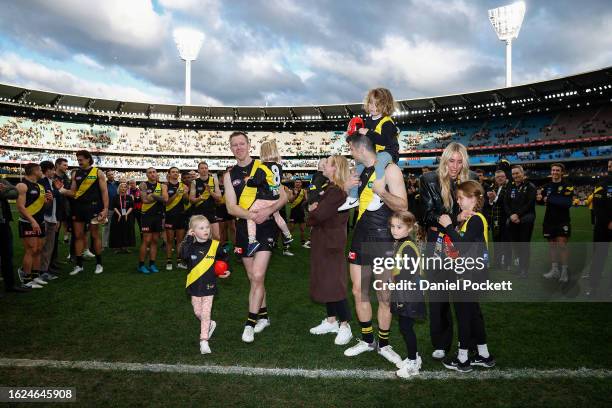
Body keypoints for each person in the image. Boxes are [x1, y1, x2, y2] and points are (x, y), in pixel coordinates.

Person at [343, 133, 408, 366]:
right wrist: (347, 188)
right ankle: (367, 339)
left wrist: (381, 192)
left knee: (384, 295)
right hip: (360, 236)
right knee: (359, 291)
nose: (349, 152)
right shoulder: (359, 171)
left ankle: (384, 343)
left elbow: (403, 205)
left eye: (350, 148)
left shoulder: (390, 170)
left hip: (383, 239)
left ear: (359, 148)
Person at [223, 131, 288, 343]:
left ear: (249, 145)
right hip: (245, 227)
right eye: (235, 145)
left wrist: (267, 212)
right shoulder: (229, 175)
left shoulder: (264, 166)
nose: (239, 147)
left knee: (258, 275)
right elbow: (231, 207)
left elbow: (284, 195)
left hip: (266, 226)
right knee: (253, 278)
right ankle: (264, 317)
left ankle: (250, 323)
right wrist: (252, 214)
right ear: (231, 148)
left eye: (242, 143)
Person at [419, 142, 478, 361]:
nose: (455, 166)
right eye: (451, 160)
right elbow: (425, 216)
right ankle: (441, 343)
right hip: (437, 244)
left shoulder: (472, 179)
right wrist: (453, 220)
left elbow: (478, 213)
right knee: (438, 296)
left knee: (466, 297)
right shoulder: (428, 180)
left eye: (459, 161)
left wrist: (449, 222)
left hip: (463, 243)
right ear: (444, 160)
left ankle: (470, 342)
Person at [439, 181, 495, 372]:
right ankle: (483, 354)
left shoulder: (477, 219)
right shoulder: (472, 219)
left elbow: (461, 246)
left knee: (464, 315)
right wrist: (456, 221)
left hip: (469, 275)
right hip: (473, 273)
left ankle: (462, 358)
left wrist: (448, 225)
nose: (458, 201)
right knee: (473, 315)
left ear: (473, 198)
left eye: (461, 197)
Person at [307, 155, 353, 346]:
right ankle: (332, 320)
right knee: (327, 282)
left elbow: (317, 215)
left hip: (330, 243)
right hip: (325, 241)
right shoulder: (331, 189)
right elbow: (317, 213)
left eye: (327, 163)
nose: (323, 165)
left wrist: (312, 211)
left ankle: (345, 325)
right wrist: (314, 210)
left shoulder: (335, 191)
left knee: (335, 284)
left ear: (335, 168)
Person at [338, 88, 400, 212]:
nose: (372, 107)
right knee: (358, 167)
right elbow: (364, 138)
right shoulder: (369, 120)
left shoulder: (387, 122)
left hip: (388, 153)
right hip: (375, 153)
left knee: (379, 163)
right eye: (370, 103)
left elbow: (385, 141)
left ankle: (379, 194)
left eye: (377, 104)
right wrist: (352, 136)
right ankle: (353, 197)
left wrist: (369, 133)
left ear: (385, 105)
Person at [179, 215, 230, 354]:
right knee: (198, 312)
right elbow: (183, 256)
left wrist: (225, 269)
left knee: (206, 313)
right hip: (194, 286)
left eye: (207, 227)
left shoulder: (215, 245)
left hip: (209, 286)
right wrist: (188, 239)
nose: (206, 230)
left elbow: (224, 257)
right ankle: (209, 324)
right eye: (201, 228)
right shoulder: (190, 247)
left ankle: (204, 341)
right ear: (193, 231)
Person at [56, 150, 108, 276]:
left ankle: (99, 263)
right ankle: (79, 265)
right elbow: (73, 193)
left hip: (94, 208)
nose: (79, 162)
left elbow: (104, 192)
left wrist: (105, 209)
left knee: (95, 235)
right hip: (78, 208)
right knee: (78, 235)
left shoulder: (98, 172)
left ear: (88, 159)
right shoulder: (76, 174)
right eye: (78, 160)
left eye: (81, 160)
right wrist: (62, 190)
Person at [388, 211, 426, 379]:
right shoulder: (401, 243)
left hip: (408, 294)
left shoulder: (408, 246)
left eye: (399, 227)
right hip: (404, 292)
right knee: (405, 327)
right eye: (392, 226)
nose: (394, 230)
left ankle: (413, 363)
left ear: (409, 228)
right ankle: (414, 357)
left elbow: (409, 272)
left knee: (406, 328)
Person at [244, 140, 293, 256]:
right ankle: (287, 235)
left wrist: (247, 181)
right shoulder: (279, 166)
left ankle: (252, 241)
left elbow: (255, 182)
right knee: (277, 216)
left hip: (264, 198)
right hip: (275, 197)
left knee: (250, 215)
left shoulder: (262, 167)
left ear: (263, 152)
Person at [16, 163, 52, 289]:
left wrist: (49, 201)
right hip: (28, 223)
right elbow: (20, 207)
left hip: (40, 222)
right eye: (40, 170)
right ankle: (26, 279)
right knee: (30, 250)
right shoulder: (22, 185)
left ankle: (35, 276)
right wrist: (32, 221)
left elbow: (44, 206)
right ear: (34, 171)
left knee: (38, 250)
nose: (41, 172)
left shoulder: (40, 186)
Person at [538, 163, 574, 283]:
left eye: (557, 170)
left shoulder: (567, 186)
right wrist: (538, 198)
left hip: (562, 220)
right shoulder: (547, 186)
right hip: (549, 220)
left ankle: (564, 272)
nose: (554, 172)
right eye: (553, 170)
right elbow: (540, 200)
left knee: (562, 246)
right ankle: (555, 270)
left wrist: (550, 199)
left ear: (562, 172)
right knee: (552, 246)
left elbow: (567, 203)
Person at [504, 165, 536, 278]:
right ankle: (520, 268)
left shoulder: (530, 186)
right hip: (513, 219)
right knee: (516, 245)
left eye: (517, 173)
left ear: (523, 173)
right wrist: (511, 215)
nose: (515, 176)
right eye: (513, 174)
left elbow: (529, 204)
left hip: (526, 219)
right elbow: (506, 203)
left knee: (524, 245)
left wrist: (517, 215)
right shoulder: (510, 186)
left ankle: (524, 270)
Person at [0, 176, 31, 293]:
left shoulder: (1, 181)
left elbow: (15, 192)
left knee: (7, 254)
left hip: (4, 223)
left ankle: (10, 285)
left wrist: (4, 189)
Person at [586, 159, 612, 297]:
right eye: (609, 166)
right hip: (603, 227)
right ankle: (593, 286)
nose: (610, 168)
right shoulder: (602, 183)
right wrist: (608, 222)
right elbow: (597, 207)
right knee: (598, 257)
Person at [138, 167, 168, 274]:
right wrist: (157, 197)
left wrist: (152, 195)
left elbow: (165, 199)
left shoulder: (163, 186)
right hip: (147, 216)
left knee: (155, 240)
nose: (152, 174)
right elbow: (145, 200)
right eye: (150, 173)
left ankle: (152, 264)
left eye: (154, 172)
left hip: (158, 216)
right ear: (147, 175)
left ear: (157, 174)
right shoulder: (143, 185)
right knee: (146, 240)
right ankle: (141, 265)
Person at [38, 161, 60, 281]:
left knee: (49, 246)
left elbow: (56, 195)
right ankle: (39, 270)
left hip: (52, 217)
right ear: (47, 170)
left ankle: (44, 270)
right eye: (52, 169)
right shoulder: (42, 182)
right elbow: (49, 196)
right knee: (42, 246)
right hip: (44, 217)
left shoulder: (51, 182)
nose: (54, 172)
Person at [164, 167, 189, 270]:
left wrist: (185, 193)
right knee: (169, 240)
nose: (175, 174)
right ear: (169, 174)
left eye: (176, 172)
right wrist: (177, 194)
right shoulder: (165, 186)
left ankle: (179, 261)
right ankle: (169, 262)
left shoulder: (183, 185)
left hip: (180, 215)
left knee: (180, 240)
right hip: (169, 215)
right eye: (173, 172)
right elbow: (166, 202)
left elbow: (187, 201)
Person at [485, 170, 510, 270]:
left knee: (506, 242)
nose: (500, 178)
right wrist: (491, 200)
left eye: (502, 176)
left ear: (505, 177)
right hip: (495, 219)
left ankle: (507, 264)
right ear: (495, 178)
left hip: (505, 219)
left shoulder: (509, 188)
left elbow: (505, 203)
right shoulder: (493, 188)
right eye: (497, 177)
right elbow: (490, 204)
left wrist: (494, 198)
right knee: (496, 242)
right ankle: (497, 262)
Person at [190, 162, 221, 240]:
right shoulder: (194, 182)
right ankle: (201, 252)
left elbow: (219, 197)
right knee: (200, 237)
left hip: (211, 211)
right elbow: (191, 199)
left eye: (205, 168)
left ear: (208, 169)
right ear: (198, 170)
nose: (204, 170)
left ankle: (214, 252)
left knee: (216, 237)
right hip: (199, 213)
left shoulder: (214, 180)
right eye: (202, 168)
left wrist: (210, 192)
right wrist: (199, 199)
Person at [109, 182, 135, 253]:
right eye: (121, 187)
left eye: (124, 187)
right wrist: (119, 214)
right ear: (119, 188)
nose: (123, 188)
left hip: (128, 216)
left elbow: (131, 206)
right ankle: (117, 248)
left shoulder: (129, 197)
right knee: (117, 231)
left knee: (127, 231)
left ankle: (125, 247)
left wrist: (126, 214)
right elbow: (113, 206)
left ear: (127, 188)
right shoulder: (115, 197)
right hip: (117, 216)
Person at [289, 179, 308, 247]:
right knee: (291, 229)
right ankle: (287, 243)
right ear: (294, 183)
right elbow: (290, 200)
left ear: (301, 184)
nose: (298, 183)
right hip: (293, 211)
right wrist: (295, 195)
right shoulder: (291, 191)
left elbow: (306, 200)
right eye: (296, 182)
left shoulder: (304, 191)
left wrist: (304, 203)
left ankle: (303, 243)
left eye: (299, 182)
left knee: (302, 229)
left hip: (301, 211)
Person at [103, 170, 118, 248]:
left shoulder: (118, 184)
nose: (111, 176)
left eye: (112, 174)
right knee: (107, 227)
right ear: (106, 176)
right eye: (109, 175)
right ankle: (105, 244)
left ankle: (115, 242)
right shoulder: (104, 184)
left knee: (117, 227)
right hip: (108, 208)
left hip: (118, 209)